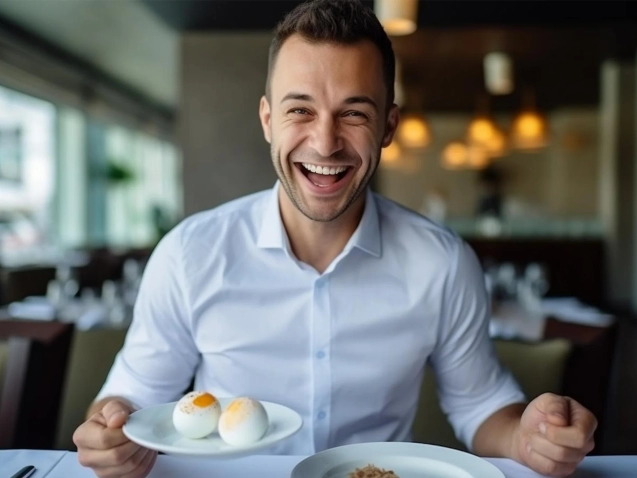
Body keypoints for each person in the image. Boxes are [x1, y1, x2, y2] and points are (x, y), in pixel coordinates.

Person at [73, 1, 597, 477]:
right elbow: (128, 401)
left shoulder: (441, 262)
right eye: (299, 109)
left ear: (388, 126)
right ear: (267, 120)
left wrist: (530, 437)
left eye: (353, 113)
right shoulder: (190, 254)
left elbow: (481, 407)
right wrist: (109, 432)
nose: (325, 142)